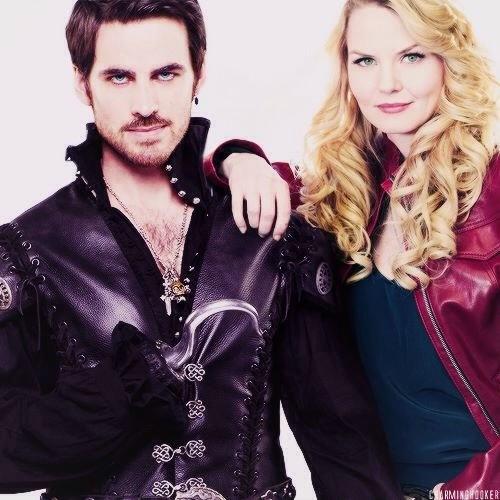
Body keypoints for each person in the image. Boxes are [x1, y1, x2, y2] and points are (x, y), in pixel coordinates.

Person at [0, 1, 402, 499]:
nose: (145, 104)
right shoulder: (28, 251)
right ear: (83, 84)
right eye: (119, 77)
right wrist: (114, 397)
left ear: (199, 73)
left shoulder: (273, 232)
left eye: (166, 74)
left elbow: (341, 441)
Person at [207, 0, 500, 499]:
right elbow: (224, 190)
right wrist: (239, 160)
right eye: (365, 60)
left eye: (412, 56)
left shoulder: (492, 189)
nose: (387, 83)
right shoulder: (353, 191)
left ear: (449, 61)